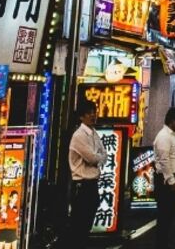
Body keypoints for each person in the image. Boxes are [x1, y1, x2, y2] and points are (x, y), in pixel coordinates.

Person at [64, 99, 107, 249]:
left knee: (87, 222)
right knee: (79, 224)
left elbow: (104, 155)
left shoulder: (93, 133)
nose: (93, 115)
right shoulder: (79, 135)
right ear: (81, 117)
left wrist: (98, 158)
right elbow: (93, 157)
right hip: (81, 185)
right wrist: (98, 158)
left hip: (92, 184)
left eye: (94, 112)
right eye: (89, 113)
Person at [153, 107, 175, 249]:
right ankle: (161, 244)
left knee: (169, 214)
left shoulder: (172, 135)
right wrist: (171, 181)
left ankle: (164, 242)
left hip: (172, 180)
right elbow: (164, 160)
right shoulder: (164, 136)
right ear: (173, 121)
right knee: (165, 214)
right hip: (166, 182)